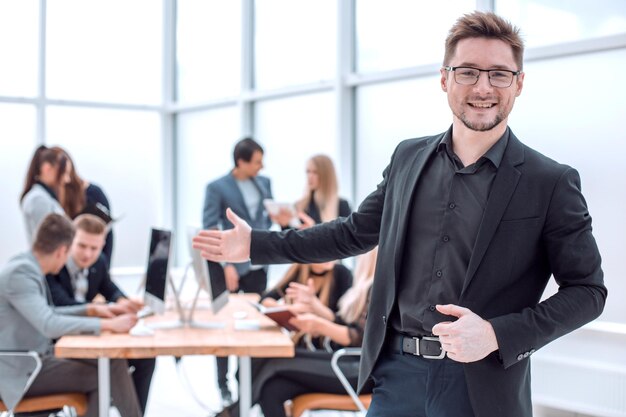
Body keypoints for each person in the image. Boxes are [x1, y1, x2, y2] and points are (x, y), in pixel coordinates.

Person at [193, 11, 607, 417]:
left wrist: (497, 334)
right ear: (445, 78)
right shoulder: (408, 158)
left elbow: (588, 291)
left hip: (482, 385)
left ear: (519, 84)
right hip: (397, 376)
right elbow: (351, 233)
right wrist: (255, 244)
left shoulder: (549, 181)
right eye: (467, 72)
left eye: (499, 73)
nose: (483, 87)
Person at [0, 213, 142, 417]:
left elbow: (47, 313)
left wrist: (91, 310)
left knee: (112, 361)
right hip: (17, 371)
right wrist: (107, 325)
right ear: (62, 251)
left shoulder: (25, 265)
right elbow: (49, 324)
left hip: (34, 359)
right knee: (99, 376)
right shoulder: (21, 274)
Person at [217, 248, 377, 417]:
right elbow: (343, 323)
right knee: (271, 391)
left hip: (355, 370)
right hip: (340, 360)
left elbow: (360, 339)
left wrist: (318, 324)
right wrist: (313, 311)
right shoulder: (360, 289)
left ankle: (231, 413)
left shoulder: (370, 287)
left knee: (273, 361)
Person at [46, 214, 155, 413]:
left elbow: (110, 288)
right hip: (60, 341)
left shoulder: (99, 262)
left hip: (89, 334)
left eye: (94, 248)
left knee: (146, 357)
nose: (88, 254)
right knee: (112, 361)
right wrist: (106, 312)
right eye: (82, 246)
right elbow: (63, 306)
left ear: (103, 245)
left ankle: (135, 411)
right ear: (69, 240)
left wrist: (124, 302)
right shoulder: (52, 266)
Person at [202, 137, 273, 405]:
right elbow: (211, 227)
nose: (261, 166)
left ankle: (246, 382)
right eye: (257, 161)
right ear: (241, 162)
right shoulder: (217, 188)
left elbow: (264, 220)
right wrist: (226, 265)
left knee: (253, 323)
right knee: (225, 323)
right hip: (230, 267)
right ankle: (223, 384)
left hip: (258, 263)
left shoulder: (264, 183)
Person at [56, 147, 116, 270]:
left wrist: (103, 271)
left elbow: (107, 235)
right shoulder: (54, 199)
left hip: (94, 266)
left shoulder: (93, 193)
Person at [271, 154, 351, 229]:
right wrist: (285, 225)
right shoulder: (299, 206)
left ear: (326, 175)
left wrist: (313, 230)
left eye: (315, 172)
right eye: (308, 172)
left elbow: (345, 241)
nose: (310, 176)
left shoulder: (342, 205)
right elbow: (292, 240)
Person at [20, 145, 71, 243]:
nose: (67, 179)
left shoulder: (43, 197)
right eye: (64, 173)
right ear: (47, 169)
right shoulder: (38, 199)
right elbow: (49, 241)